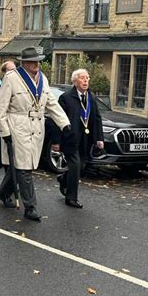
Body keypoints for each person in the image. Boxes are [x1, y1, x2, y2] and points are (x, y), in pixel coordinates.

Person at [0, 47, 73, 221]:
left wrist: (65, 124)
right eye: (33, 61)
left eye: (38, 61)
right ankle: (30, 206)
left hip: (37, 128)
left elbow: (52, 104)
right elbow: (1, 109)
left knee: (22, 165)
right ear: (24, 63)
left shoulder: (43, 79)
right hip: (17, 126)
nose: (36, 64)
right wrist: (4, 132)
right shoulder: (12, 78)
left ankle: (3, 192)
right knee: (24, 169)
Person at [55, 68, 104, 208]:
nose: (86, 81)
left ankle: (63, 178)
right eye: (82, 78)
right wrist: (56, 141)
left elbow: (97, 119)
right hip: (70, 139)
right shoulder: (66, 97)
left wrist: (99, 139)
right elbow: (57, 120)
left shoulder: (91, 98)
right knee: (75, 167)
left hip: (85, 140)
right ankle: (71, 198)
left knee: (80, 167)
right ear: (75, 81)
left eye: (87, 78)